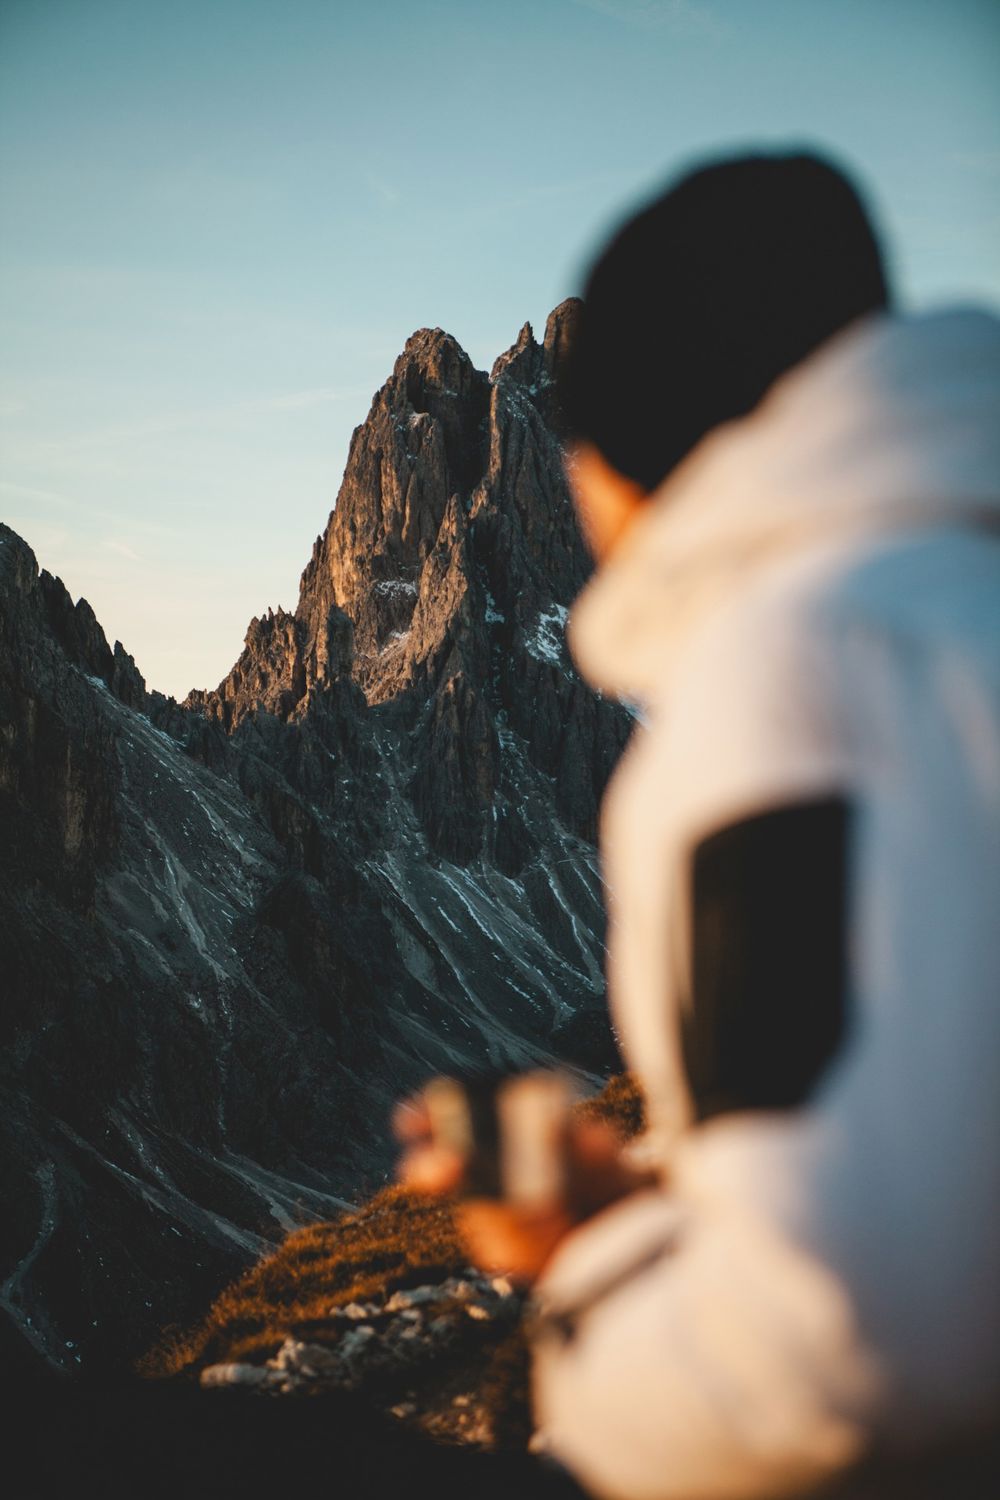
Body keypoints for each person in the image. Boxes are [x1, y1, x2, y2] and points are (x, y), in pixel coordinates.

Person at [399, 150, 1000, 1498]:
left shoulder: (798, 673)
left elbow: (834, 1344)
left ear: (621, 454)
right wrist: (651, 1203)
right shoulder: (958, 601)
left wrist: (581, 1267)